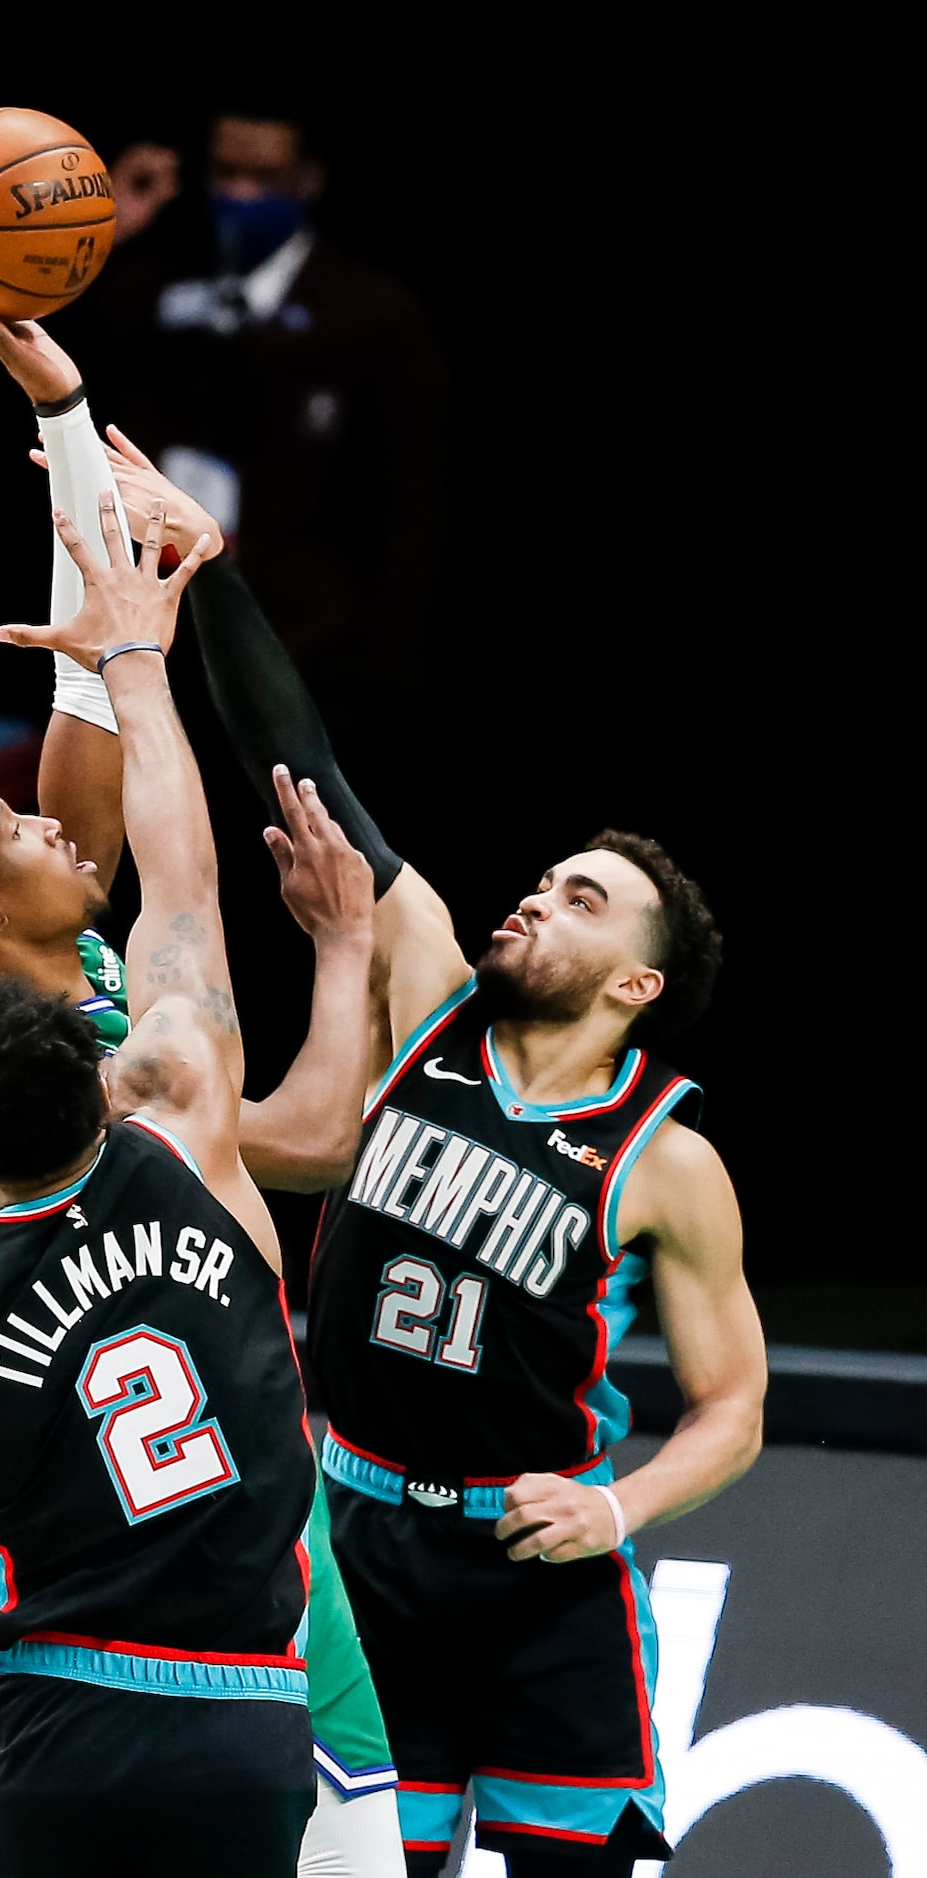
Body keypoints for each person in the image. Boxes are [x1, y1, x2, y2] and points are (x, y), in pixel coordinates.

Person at [82, 439, 769, 1877]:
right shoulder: (432, 1002)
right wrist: (212, 573)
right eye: (542, 878)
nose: (534, 897)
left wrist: (617, 1502)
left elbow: (735, 1405)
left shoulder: (663, 1157)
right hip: (351, 1541)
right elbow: (308, 771)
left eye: (578, 902)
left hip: (533, 1586)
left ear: (633, 986)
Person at [0, 300, 408, 1876]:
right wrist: (345, 963)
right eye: (17, 832)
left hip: (110, 1656)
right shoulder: (117, 1063)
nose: (45, 822)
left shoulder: (51, 977)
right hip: (214, 1590)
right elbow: (304, 1138)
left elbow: (96, 683)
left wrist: (69, 419)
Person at [74, 98, 446, 699]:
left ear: (308, 179)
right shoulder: (146, 292)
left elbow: (410, 505)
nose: (242, 194)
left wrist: (384, 665)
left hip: (314, 657)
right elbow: (52, 372)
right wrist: (103, 236)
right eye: (226, 174)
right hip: (166, 643)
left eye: (264, 178)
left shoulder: (373, 316)